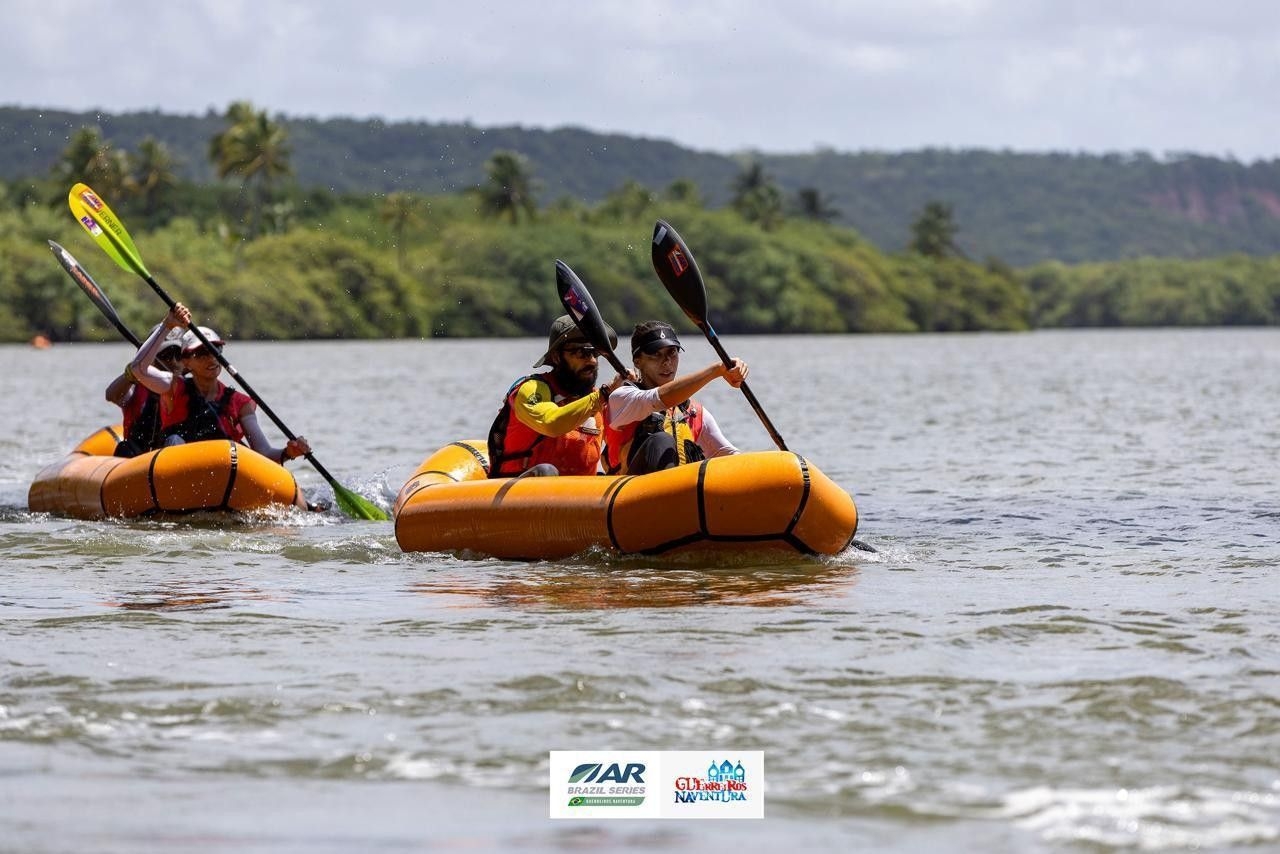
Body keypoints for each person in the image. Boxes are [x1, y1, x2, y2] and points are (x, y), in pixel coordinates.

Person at [129, 303, 311, 465]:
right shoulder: (173, 387)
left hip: (221, 474)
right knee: (175, 439)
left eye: (216, 350)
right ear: (185, 362)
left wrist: (289, 453)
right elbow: (138, 368)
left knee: (239, 450)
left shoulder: (240, 404)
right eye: (201, 353)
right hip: (180, 473)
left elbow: (265, 454)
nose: (211, 357)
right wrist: (167, 326)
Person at [487, 314, 628, 477]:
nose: (592, 361)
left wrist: (639, 390)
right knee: (546, 471)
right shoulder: (531, 389)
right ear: (556, 357)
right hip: (521, 491)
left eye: (594, 352)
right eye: (581, 352)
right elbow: (551, 424)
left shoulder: (600, 400)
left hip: (581, 497)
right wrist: (604, 395)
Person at [602, 320, 747, 475]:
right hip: (632, 493)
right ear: (638, 361)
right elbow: (659, 398)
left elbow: (731, 455)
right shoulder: (622, 398)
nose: (667, 362)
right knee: (661, 441)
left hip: (678, 493)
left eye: (672, 353)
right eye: (656, 355)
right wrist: (717, 370)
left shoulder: (694, 412)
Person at [104, 324, 185, 458]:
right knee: (124, 447)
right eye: (166, 355)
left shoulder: (192, 387)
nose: (174, 361)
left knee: (175, 440)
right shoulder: (136, 386)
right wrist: (135, 372)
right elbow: (111, 395)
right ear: (151, 358)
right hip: (138, 461)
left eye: (179, 355)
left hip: (173, 462)